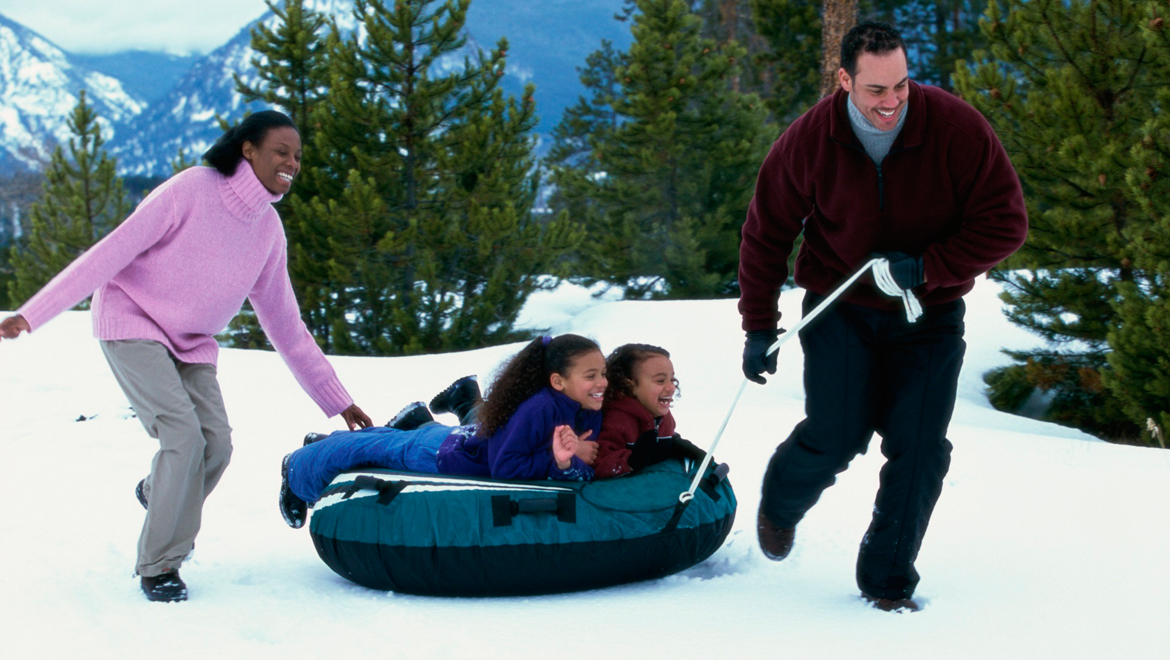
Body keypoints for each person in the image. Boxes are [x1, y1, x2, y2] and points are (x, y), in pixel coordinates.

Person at [0, 110, 372, 603]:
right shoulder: (191, 190)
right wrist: (34, 313)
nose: (292, 163)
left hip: (193, 342)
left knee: (215, 445)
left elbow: (287, 327)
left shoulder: (268, 231)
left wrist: (338, 400)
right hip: (132, 320)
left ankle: (158, 493)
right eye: (281, 151)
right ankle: (160, 564)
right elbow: (112, 252)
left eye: (298, 156)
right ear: (249, 150)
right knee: (182, 435)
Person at [738, 22, 1027, 612]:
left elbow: (1006, 223)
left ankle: (887, 581)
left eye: (900, 85)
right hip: (839, 308)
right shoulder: (808, 141)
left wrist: (928, 266)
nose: (892, 101)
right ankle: (780, 503)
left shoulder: (955, 128)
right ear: (845, 80)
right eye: (876, 90)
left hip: (930, 312)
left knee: (919, 448)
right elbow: (765, 235)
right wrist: (759, 326)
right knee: (836, 434)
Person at [279, 334, 606, 527]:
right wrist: (559, 458)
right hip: (444, 457)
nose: (602, 383)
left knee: (387, 441)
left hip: (461, 442)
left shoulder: (588, 407)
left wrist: (567, 461)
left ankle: (320, 444)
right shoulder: (539, 410)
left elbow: (578, 465)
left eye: (603, 373)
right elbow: (505, 468)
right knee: (369, 451)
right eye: (590, 376)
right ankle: (296, 470)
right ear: (558, 381)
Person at [593, 343, 706, 478]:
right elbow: (599, 463)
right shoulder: (617, 420)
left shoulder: (662, 415)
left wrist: (675, 444)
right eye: (660, 380)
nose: (671, 387)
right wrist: (630, 461)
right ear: (630, 385)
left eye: (672, 379)